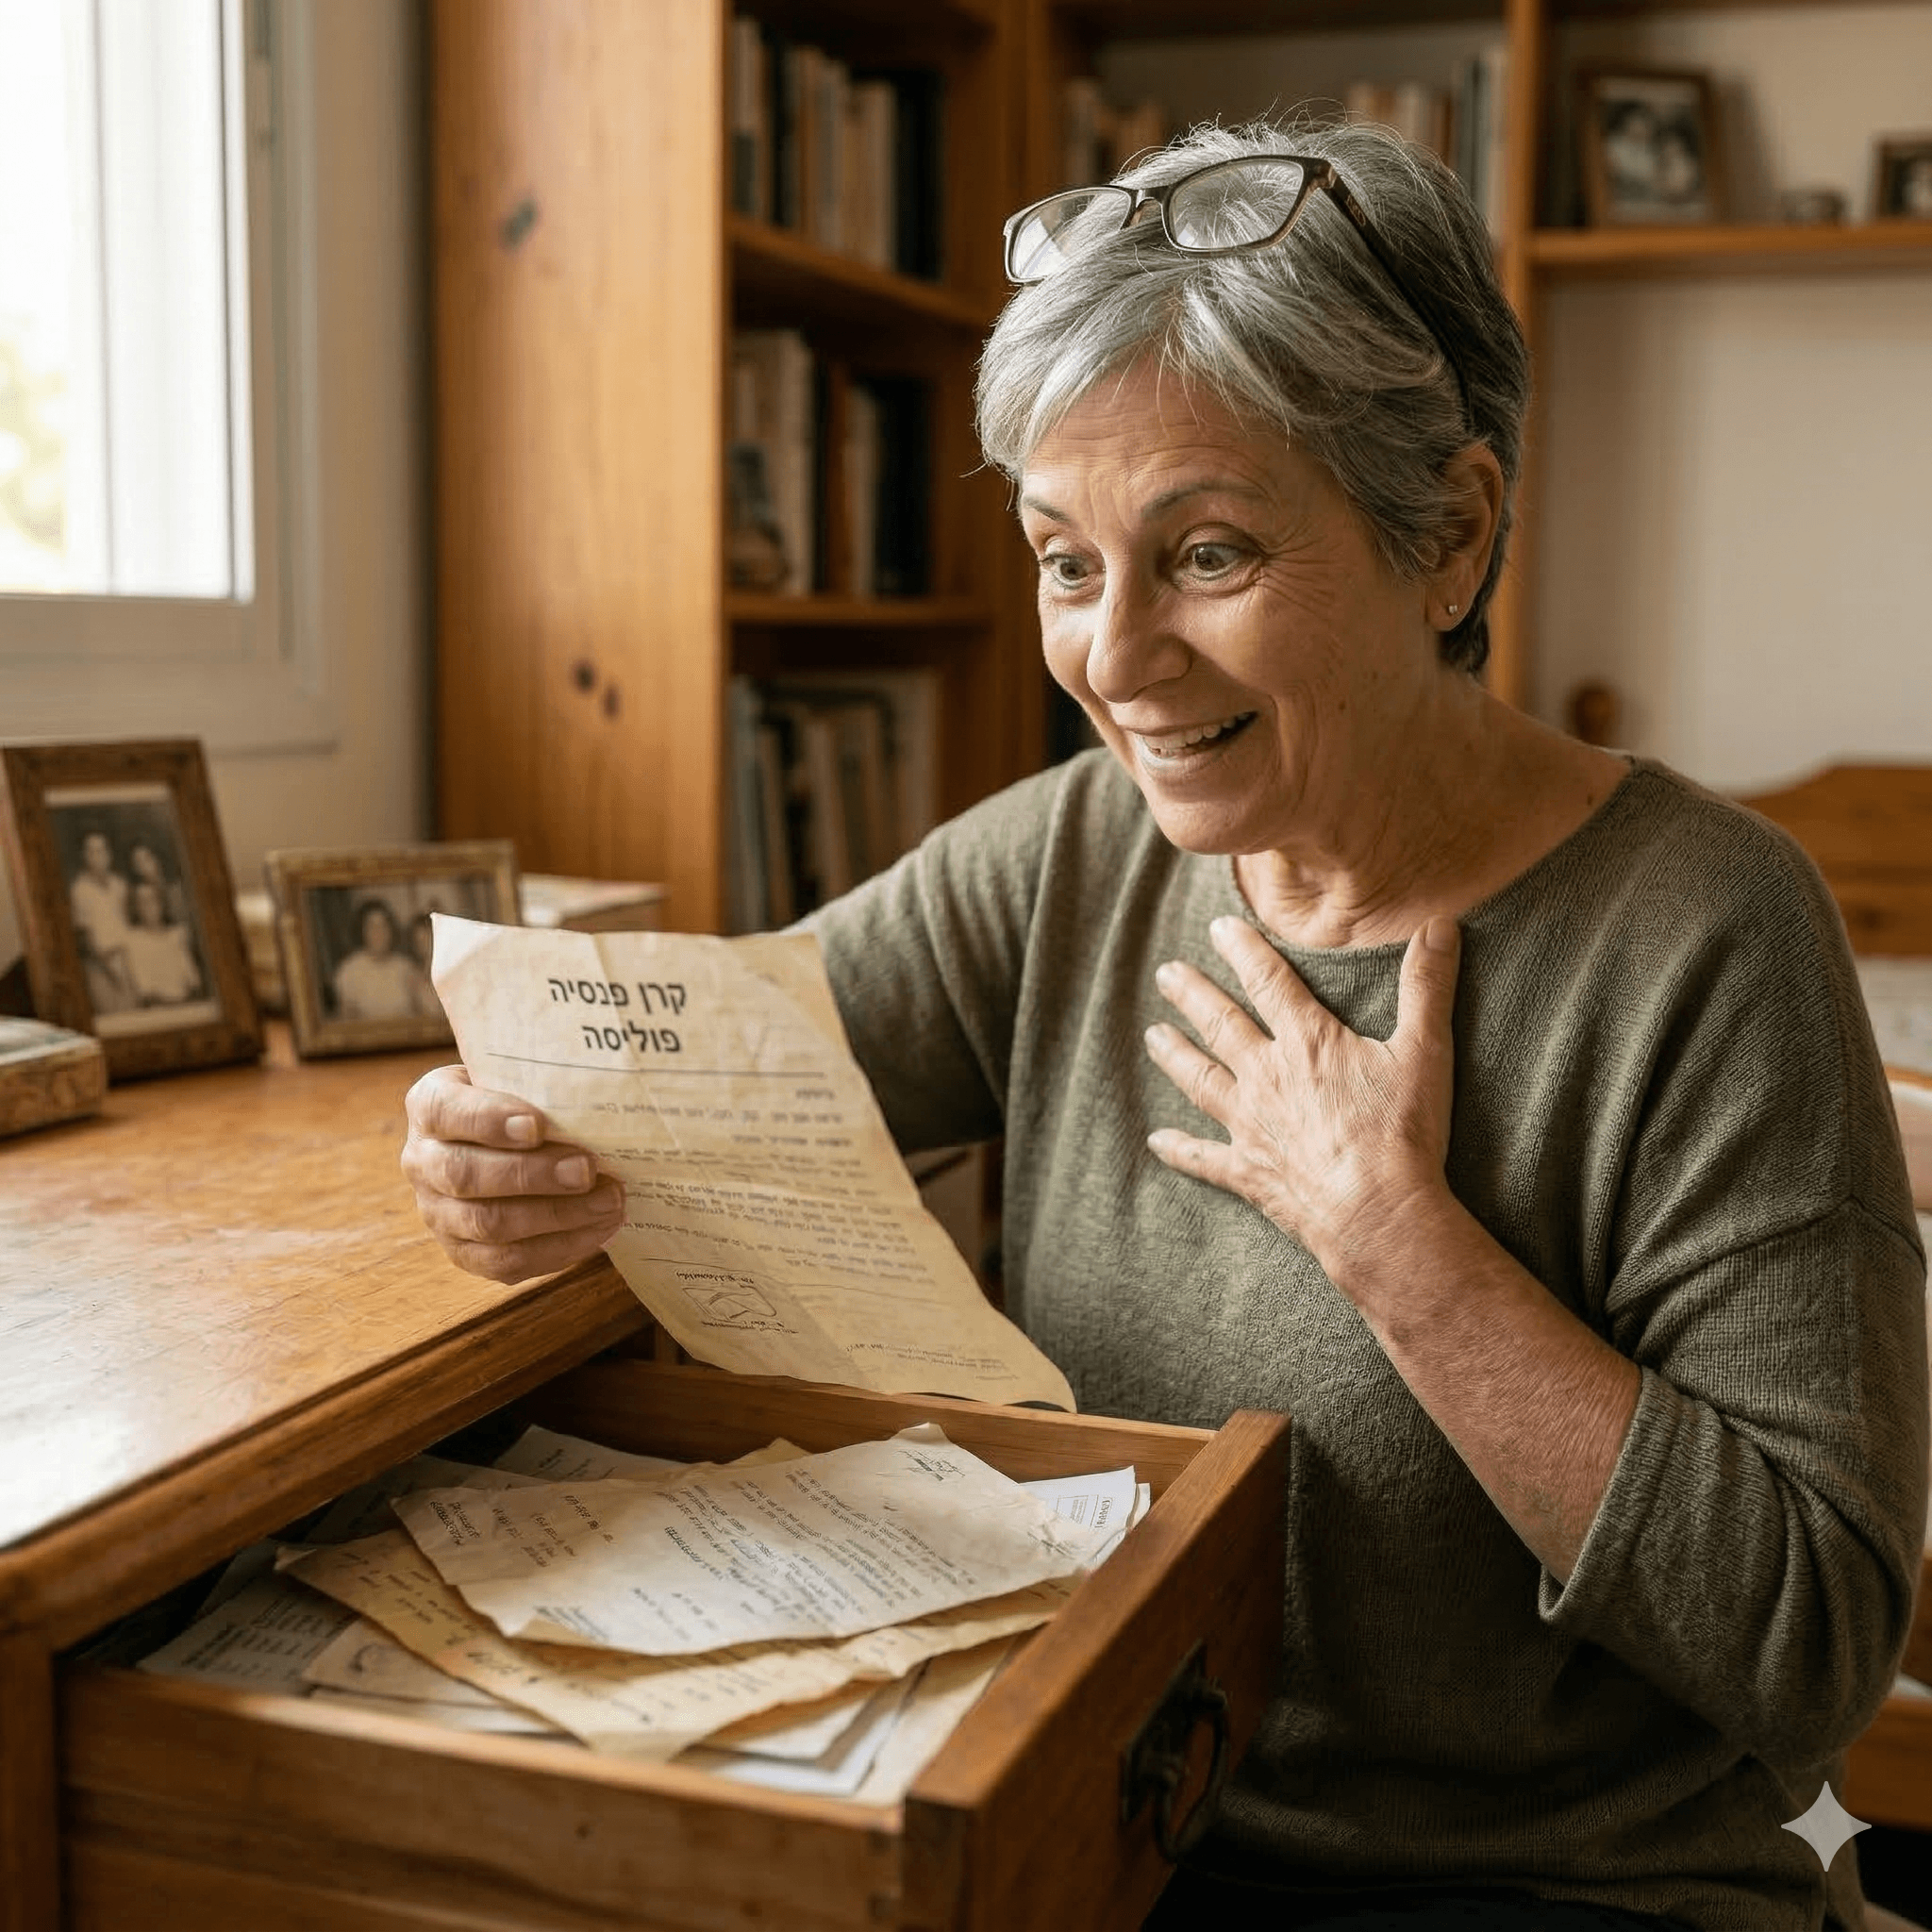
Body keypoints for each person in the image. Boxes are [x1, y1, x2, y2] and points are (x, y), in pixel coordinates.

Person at [400, 122, 1926, 1930]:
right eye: (1062, 558)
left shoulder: (1707, 928)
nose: (1112, 658)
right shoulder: (1071, 855)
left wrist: (1395, 1243)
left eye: (1203, 553)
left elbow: (1809, 1649)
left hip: (1546, 1888)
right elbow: (697, 1064)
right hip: (1101, 1813)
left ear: (1448, 533)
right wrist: (510, 1137)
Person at [67, 827, 133, 1012]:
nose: (98, 856)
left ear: (109, 854)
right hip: (99, 965)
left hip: (126, 960)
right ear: (85, 855)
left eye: (102, 850)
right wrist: (107, 967)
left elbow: (125, 923)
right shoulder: (79, 890)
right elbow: (83, 937)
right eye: (92, 851)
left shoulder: (120, 885)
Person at [331, 897, 430, 1021]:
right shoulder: (348, 971)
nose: (379, 932)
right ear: (362, 931)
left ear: (391, 929)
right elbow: (346, 1023)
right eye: (372, 926)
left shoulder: (406, 967)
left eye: (384, 925)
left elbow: (424, 1013)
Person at [120, 878, 203, 1006]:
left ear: (162, 903)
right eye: (142, 902)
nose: (149, 906)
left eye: (153, 899)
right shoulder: (133, 940)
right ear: (136, 907)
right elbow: (144, 990)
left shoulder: (176, 934)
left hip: (188, 1003)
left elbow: (192, 979)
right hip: (160, 1008)